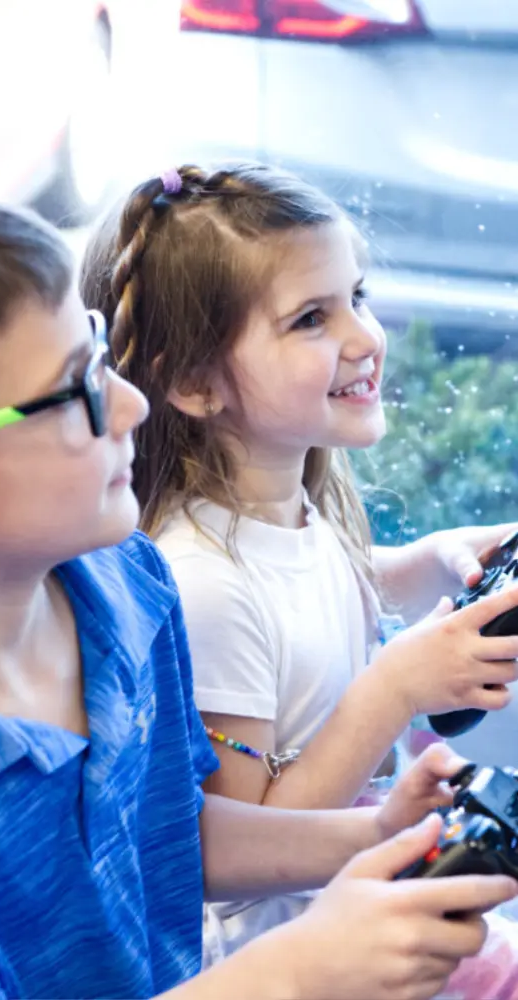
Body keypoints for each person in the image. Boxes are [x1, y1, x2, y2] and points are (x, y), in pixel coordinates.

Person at [0, 194, 513, 1000]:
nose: (131, 400)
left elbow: (167, 833)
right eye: (76, 392)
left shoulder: (125, 585)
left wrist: (369, 833)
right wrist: (294, 975)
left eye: (98, 353)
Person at [79, 162, 518, 995]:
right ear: (194, 383)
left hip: (357, 887)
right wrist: (392, 689)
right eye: (311, 318)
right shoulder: (201, 586)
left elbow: (323, 593)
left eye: (358, 297)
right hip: (302, 947)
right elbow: (254, 836)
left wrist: (432, 561)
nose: (363, 337)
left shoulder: (293, 507)